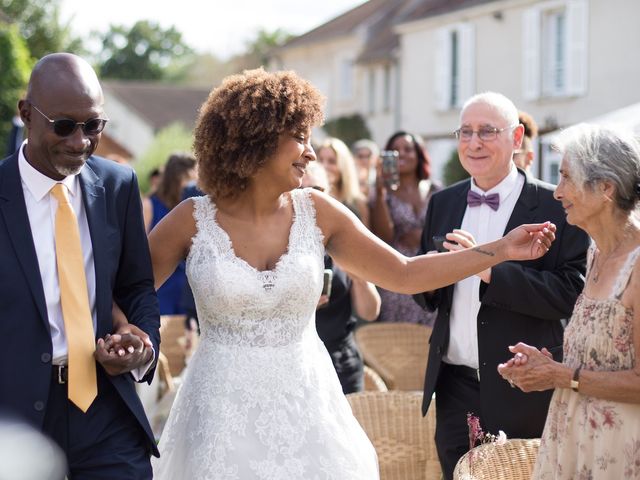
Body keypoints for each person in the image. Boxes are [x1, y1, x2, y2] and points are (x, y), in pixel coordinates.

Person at [145, 68, 555, 479]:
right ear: (256, 139)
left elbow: (406, 272)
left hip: (306, 411)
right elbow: (129, 293)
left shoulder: (318, 212)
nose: (310, 152)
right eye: (300, 138)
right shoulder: (191, 220)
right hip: (219, 414)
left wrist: (498, 251)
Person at [414, 92, 590, 480]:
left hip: (524, 388)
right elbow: (424, 294)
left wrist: (487, 266)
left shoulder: (555, 204)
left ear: (516, 138)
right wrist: (433, 271)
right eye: (466, 132)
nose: (474, 142)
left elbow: (571, 293)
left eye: (487, 132)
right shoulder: (442, 202)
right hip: (453, 386)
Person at [0, 53, 160, 477]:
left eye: (93, 126)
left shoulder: (118, 185)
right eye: (64, 126)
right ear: (26, 114)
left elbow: (137, 286)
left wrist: (140, 348)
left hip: (106, 406)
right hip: (14, 419)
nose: (80, 142)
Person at [498, 124, 640, 479]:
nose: (558, 192)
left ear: (606, 187)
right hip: (574, 438)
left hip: (620, 450)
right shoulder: (595, 253)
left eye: (566, 179)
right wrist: (544, 365)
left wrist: (561, 375)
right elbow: (603, 358)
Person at [302, 161, 381, 394]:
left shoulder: (343, 240)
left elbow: (370, 312)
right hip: (297, 363)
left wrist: (359, 277)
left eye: (317, 191)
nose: (310, 200)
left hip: (341, 362)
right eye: (301, 192)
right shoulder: (273, 243)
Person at [370, 130, 440, 326]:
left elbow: (447, 228)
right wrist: (380, 191)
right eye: (395, 150)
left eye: (408, 149)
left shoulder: (436, 190)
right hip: (397, 273)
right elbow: (384, 236)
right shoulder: (382, 194)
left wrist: (424, 237)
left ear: (419, 154)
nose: (402, 154)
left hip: (430, 272)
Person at [142, 152, 197, 315]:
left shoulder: (192, 210)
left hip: (184, 287)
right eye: (190, 179)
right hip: (160, 284)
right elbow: (138, 249)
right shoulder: (149, 205)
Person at [317, 136, 370, 227]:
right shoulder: (312, 198)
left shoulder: (358, 202)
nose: (324, 166)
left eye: (332, 161)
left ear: (344, 166)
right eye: (320, 160)